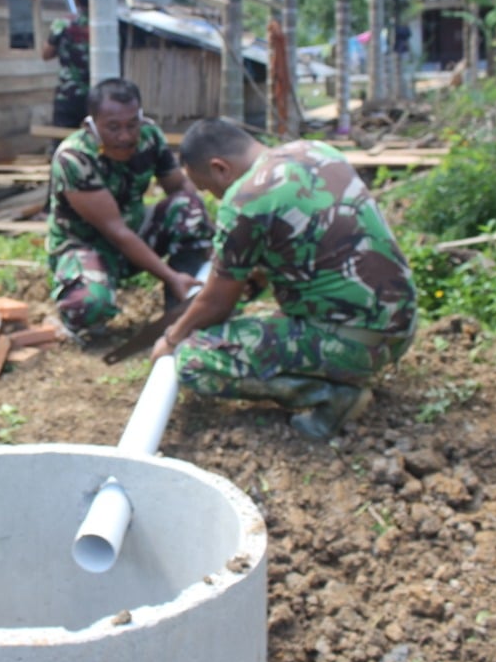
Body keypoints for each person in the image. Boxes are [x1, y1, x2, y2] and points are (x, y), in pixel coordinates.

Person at [152, 118, 417, 440]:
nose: (215, 198)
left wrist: (171, 340)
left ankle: (331, 397)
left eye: (209, 188)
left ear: (220, 168)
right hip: (399, 327)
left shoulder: (245, 199)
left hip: (355, 344)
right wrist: (262, 274)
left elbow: (217, 302)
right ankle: (342, 370)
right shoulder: (316, 150)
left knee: (194, 358)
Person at [47, 78, 215, 338]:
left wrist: (217, 241)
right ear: (91, 124)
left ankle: (184, 304)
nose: (125, 136)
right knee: (89, 306)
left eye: (131, 124)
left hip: (136, 233)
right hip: (88, 246)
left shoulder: (149, 136)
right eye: (113, 127)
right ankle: (79, 301)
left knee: (189, 207)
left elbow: (180, 187)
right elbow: (115, 231)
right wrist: (170, 276)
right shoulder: (74, 158)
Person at [42, 0, 90, 129]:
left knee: (62, 141)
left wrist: (65, 47)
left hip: (68, 95)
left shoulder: (63, 24)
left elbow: (46, 54)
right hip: (98, 96)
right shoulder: (106, 25)